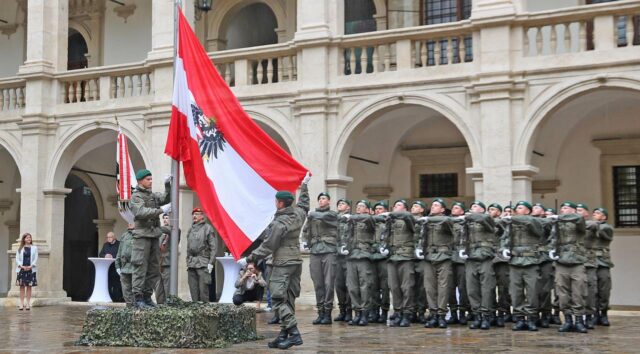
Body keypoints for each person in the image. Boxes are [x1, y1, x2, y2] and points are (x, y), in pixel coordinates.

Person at [238, 173, 310, 350]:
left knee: (278, 299)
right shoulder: (299, 214)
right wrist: (305, 186)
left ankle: (293, 333)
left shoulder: (279, 223)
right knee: (289, 299)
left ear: (280, 203)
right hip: (295, 262)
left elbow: (268, 246)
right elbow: (304, 205)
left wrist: (250, 258)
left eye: (276, 201)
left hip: (281, 263)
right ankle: (284, 334)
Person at [499, 201, 545, 331]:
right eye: (516, 208)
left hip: (530, 261)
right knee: (515, 292)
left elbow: (537, 232)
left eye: (520, 208)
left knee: (532, 291)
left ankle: (531, 318)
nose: (516, 210)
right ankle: (519, 317)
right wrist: (504, 249)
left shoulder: (534, 221)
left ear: (528, 211)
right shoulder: (511, 224)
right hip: (515, 262)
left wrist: (515, 219)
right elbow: (504, 238)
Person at [129, 169, 171, 309]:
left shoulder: (151, 195)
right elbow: (140, 212)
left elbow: (165, 198)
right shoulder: (136, 196)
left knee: (153, 269)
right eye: (148, 179)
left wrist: (168, 186)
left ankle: (147, 297)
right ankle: (138, 298)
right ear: (140, 181)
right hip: (142, 236)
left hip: (153, 235)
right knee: (140, 267)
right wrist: (161, 210)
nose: (151, 181)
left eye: (151, 179)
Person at [548, 201, 590, 333]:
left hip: (577, 261)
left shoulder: (578, 220)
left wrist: (559, 217)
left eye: (566, 208)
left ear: (573, 210)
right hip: (561, 262)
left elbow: (580, 219)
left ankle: (579, 320)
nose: (563, 210)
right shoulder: (558, 223)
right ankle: (567, 320)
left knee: (578, 292)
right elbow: (552, 238)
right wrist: (551, 250)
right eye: (562, 208)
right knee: (562, 293)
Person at [302, 192, 338, 325]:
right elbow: (305, 230)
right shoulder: (312, 216)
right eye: (320, 199)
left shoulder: (332, 214)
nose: (321, 200)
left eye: (324, 198)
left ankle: (328, 313)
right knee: (318, 283)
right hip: (316, 250)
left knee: (329, 283)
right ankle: (321, 312)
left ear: (329, 201)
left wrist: (311, 214)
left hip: (329, 250)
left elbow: (326, 217)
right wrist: (305, 241)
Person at [460, 201, 498, 330]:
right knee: (472, 289)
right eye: (471, 206)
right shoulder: (467, 222)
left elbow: (487, 221)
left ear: (482, 210)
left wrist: (467, 216)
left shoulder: (487, 219)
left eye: (475, 206)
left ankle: (486, 315)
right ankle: (477, 315)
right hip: (471, 258)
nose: (472, 208)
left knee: (486, 289)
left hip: (485, 257)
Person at [381, 199, 416, 327]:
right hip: (392, 257)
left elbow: (409, 218)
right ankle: (398, 311)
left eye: (399, 205)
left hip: (405, 257)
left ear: (405, 209)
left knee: (406, 287)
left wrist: (391, 214)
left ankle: (407, 313)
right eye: (395, 205)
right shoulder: (390, 221)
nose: (396, 207)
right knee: (394, 287)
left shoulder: (408, 218)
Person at [420, 198, 454, 329]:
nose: (433, 207)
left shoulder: (446, 220)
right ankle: (433, 314)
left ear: (442, 209)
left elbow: (447, 222)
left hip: (443, 257)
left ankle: (441, 315)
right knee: (429, 288)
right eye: (432, 205)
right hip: (429, 257)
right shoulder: (425, 221)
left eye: (436, 205)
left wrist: (428, 220)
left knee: (443, 288)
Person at [340, 200, 375, 326]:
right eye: (358, 206)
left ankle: (365, 312)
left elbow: (368, 220)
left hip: (363, 255)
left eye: (362, 206)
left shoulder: (368, 219)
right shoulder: (351, 221)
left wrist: (352, 217)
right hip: (351, 256)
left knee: (364, 286)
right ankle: (357, 312)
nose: (359, 208)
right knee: (352, 286)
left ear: (367, 209)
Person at [186, 207, 218, 302]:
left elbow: (213, 248)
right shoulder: (190, 229)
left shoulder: (208, 228)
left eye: (197, 214)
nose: (194, 216)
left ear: (202, 216)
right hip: (192, 263)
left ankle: (205, 313)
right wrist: (188, 260)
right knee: (193, 291)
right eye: (193, 214)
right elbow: (188, 247)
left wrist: (211, 263)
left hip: (203, 262)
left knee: (203, 291)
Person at [488, 203, 511, 326]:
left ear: (499, 212)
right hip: (490, 258)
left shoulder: (505, 222)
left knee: (503, 287)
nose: (490, 211)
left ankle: (502, 311)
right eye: (489, 209)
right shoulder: (487, 223)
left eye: (493, 209)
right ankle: (491, 312)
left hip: (502, 260)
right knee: (489, 287)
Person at [448, 201, 470, 325]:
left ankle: (462, 312)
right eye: (453, 207)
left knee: (463, 288)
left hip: (462, 259)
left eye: (457, 207)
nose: (453, 209)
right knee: (450, 288)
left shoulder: (466, 221)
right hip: (450, 257)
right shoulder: (447, 221)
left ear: (462, 211)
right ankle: (453, 312)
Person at [591, 207, 613, 326]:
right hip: (592, 261)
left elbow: (604, 234)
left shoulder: (607, 227)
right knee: (593, 289)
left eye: (598, 213)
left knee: (604, 289)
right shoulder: (591, 226)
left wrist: (593, 225)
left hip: (603, 263)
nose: (594, 215)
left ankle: (603, 313)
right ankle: (595, 314)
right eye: (594, 213)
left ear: (604, 217)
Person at [371, 201, 391, 324]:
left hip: (384, 259)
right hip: (373, 257)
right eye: (376, 209)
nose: (378, 211)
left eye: (381, 208)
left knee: (384, 287)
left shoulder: (389, 223)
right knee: (373, 286)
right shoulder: (371, 223)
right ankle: (374, 311)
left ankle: (384, 311)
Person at [334, 198, 353, 322]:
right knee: (339, 284)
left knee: (349, 284)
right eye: (339, 203)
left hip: (348, 256)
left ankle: (349, 311)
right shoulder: (333, 219)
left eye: (343, 203)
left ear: (348, 207)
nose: (340, 205)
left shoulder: (352, 220)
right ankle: (342, 310)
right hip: (337, 256)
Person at [155, 213, 180, 304]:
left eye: (167, 218)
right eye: (164, 218)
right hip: (158, 264)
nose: (165, 220)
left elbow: (172, 230)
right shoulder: (160, 233)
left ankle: (168, 308)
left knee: (167, 289)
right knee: (158, 290)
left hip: (167, 264)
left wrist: (156, 227)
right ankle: (160, 307)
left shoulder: (175, 231)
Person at [410, 200, 428, 323]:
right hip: (409, 256)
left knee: (422, 287)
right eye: (412, 206)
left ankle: (421, 311)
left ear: (422, 209)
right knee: (410, 286)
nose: (413, 208)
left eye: (416, 206)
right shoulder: (408, 220)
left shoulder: (425, 221)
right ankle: (411, 311)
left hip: (421, 257)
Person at [15, 233, 38, 310]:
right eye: (27, 237)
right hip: (22, 269)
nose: (29, 239)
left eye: (30, 237)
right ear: (24, 239)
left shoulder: (34, 248)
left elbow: (36, 258)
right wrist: (21, 266)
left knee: (29, 287)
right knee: (22, 287)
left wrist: (31, 266)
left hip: (31, 269)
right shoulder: (20, 248)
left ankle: (28, 304)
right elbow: (17, 259)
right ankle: (21, 304)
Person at [99, 231, 122, 302]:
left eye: (110, 237)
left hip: (116, 267)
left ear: (114, 237)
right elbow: (101, 254)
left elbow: (121, 254)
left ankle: (117, 299)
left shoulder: (120, 244)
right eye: (107, 237)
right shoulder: (105, 245)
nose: (108, 238)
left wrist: (113, 256)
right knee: (108, 283)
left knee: (116, 284)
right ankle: (109, 298)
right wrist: (105, 256)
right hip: (107, 268)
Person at [115, 224, 135, 305]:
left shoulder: (139, 234)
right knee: (125, 291)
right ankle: (129, 308)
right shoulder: (124, 235)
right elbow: (119, 251)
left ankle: (135, 310)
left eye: (131, 221)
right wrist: (117, 266)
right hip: (124, 268)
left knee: (135, 291)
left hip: (135, 268)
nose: (129, 223)